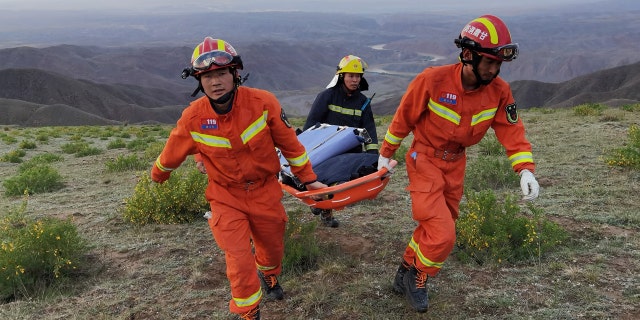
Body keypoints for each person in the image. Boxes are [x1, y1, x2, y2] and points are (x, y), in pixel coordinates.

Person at [150, 37, 327, 320]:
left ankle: (269, 275)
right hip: (225, 196)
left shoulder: (263, 102)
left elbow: (290, 146)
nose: (215, 81)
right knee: (238, 258)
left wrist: (308, 180)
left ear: (235, 74)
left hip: (265, 191)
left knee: (272, 248)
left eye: (221, 73)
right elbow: (171, 152)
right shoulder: (192, 117)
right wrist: (158, 175)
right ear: (199, 80)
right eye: (207, 76)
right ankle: (248, 312)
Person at [376, 15, 540, 313]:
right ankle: (418, 277)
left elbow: (511, 130)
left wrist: (525, 168)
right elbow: (404, 118)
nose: (494, 69)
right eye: (489, 62)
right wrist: (386, 153)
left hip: (456, 165)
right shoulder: (432, 80)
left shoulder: (500, 90)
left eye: (498, 64)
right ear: (468, 55)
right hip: (423, 159)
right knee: (443, 234)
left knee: (434, 227)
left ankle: (403, 272)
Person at [302, 54, 379, 228]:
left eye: (358, 76)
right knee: (324, 180)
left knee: (338, 182)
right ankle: (323, 210)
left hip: (350, 152)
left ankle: (324, 207)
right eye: (351, 76)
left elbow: (370, 129)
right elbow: (311, 125)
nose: (355, 80)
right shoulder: (326, 96)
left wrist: (373, 156)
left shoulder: (363, 102)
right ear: (342, 76)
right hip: (326, 149)